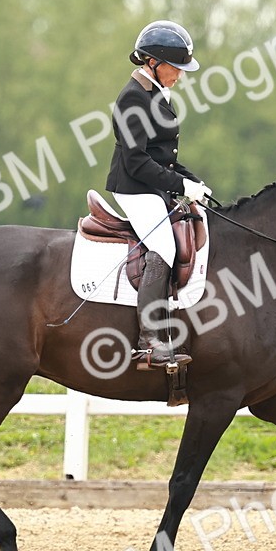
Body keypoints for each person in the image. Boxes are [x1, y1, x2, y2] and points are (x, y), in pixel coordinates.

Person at [106, 20, 211, 369]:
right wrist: (180, 187)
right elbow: (136, 162)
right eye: (176, 67)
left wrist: (194, 183)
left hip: (151, 183)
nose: (180, 75)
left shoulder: (155, 95)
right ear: (152, 62)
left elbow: (163, 157)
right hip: (134, 188)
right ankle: (149, 341)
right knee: (164, 246)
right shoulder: (132, 99)